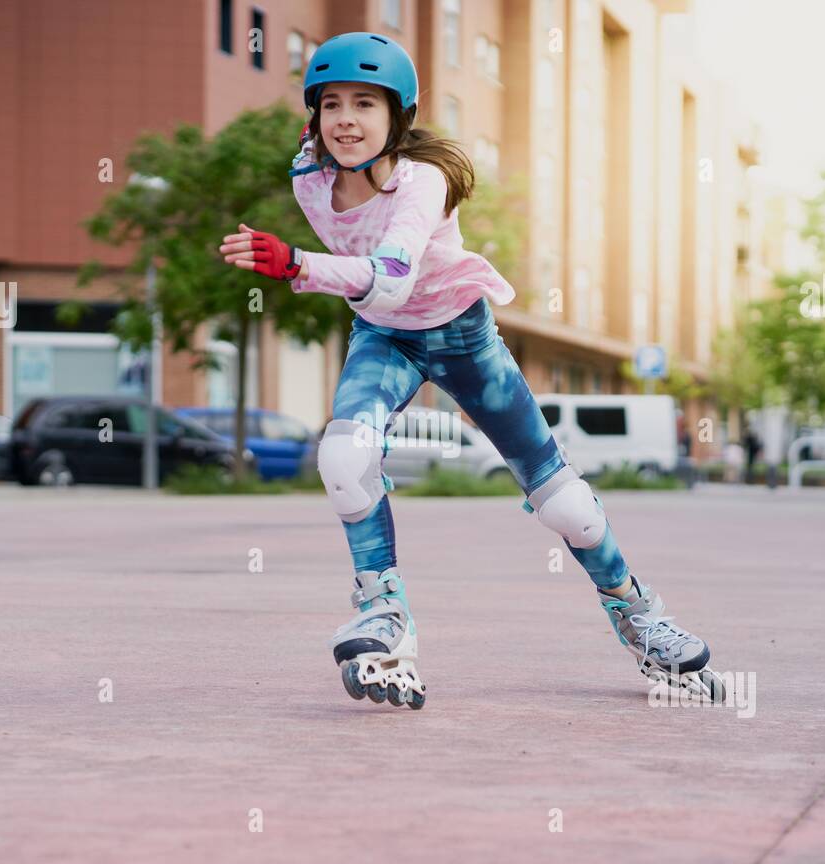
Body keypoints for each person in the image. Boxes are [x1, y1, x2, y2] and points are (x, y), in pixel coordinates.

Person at [218, 32, 722, 709]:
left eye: (364, 104)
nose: (344, 119)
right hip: (384, 338)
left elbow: (392, 275)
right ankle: (384, 611)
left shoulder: (424, 181)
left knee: (566, 505)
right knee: (342, 456)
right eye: (330, 103)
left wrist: (297, 265)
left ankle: (638, 612)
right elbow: (378, 300)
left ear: (400, 116)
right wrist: (304, 265)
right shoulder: (309, 176)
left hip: (462, 337)